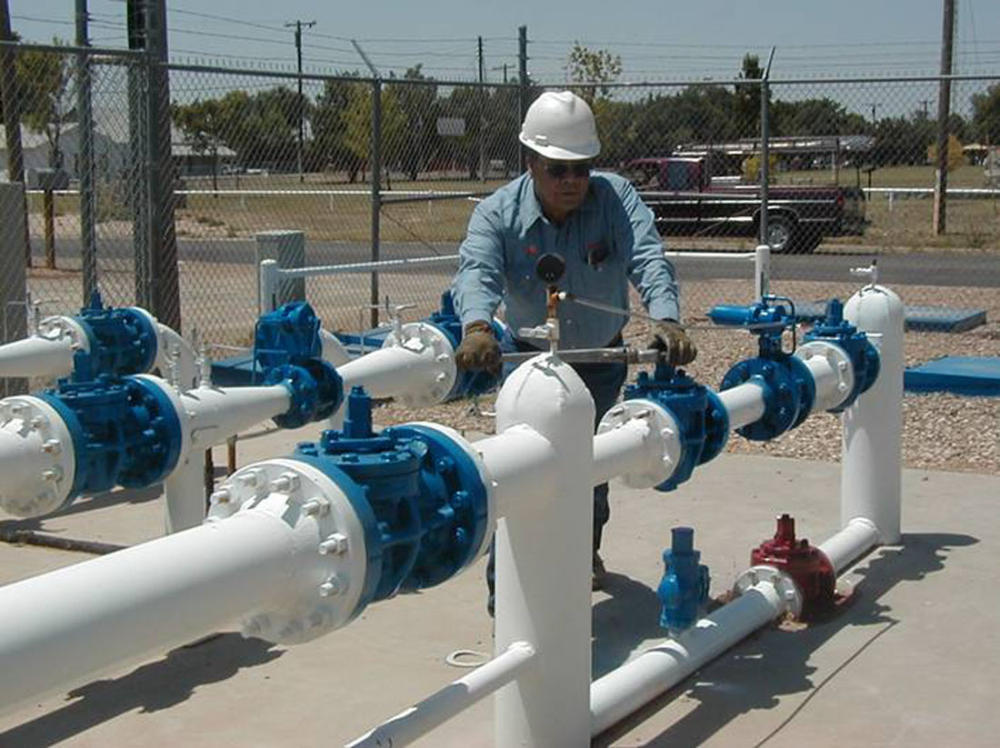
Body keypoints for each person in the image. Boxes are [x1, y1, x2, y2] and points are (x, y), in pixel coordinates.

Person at [450, 90, 696, 612]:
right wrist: (476, 327)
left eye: (581, 170)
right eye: (558, 170)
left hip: (599, 362)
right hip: (528, 364)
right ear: (531, 163)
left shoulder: (616, 200)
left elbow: (649, 258)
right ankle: (509, 601)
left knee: (592, 472)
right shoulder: (497, 214)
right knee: (518, 477)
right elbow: (477, 272)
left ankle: (582, 558)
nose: (572, 183)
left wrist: (667, 318)